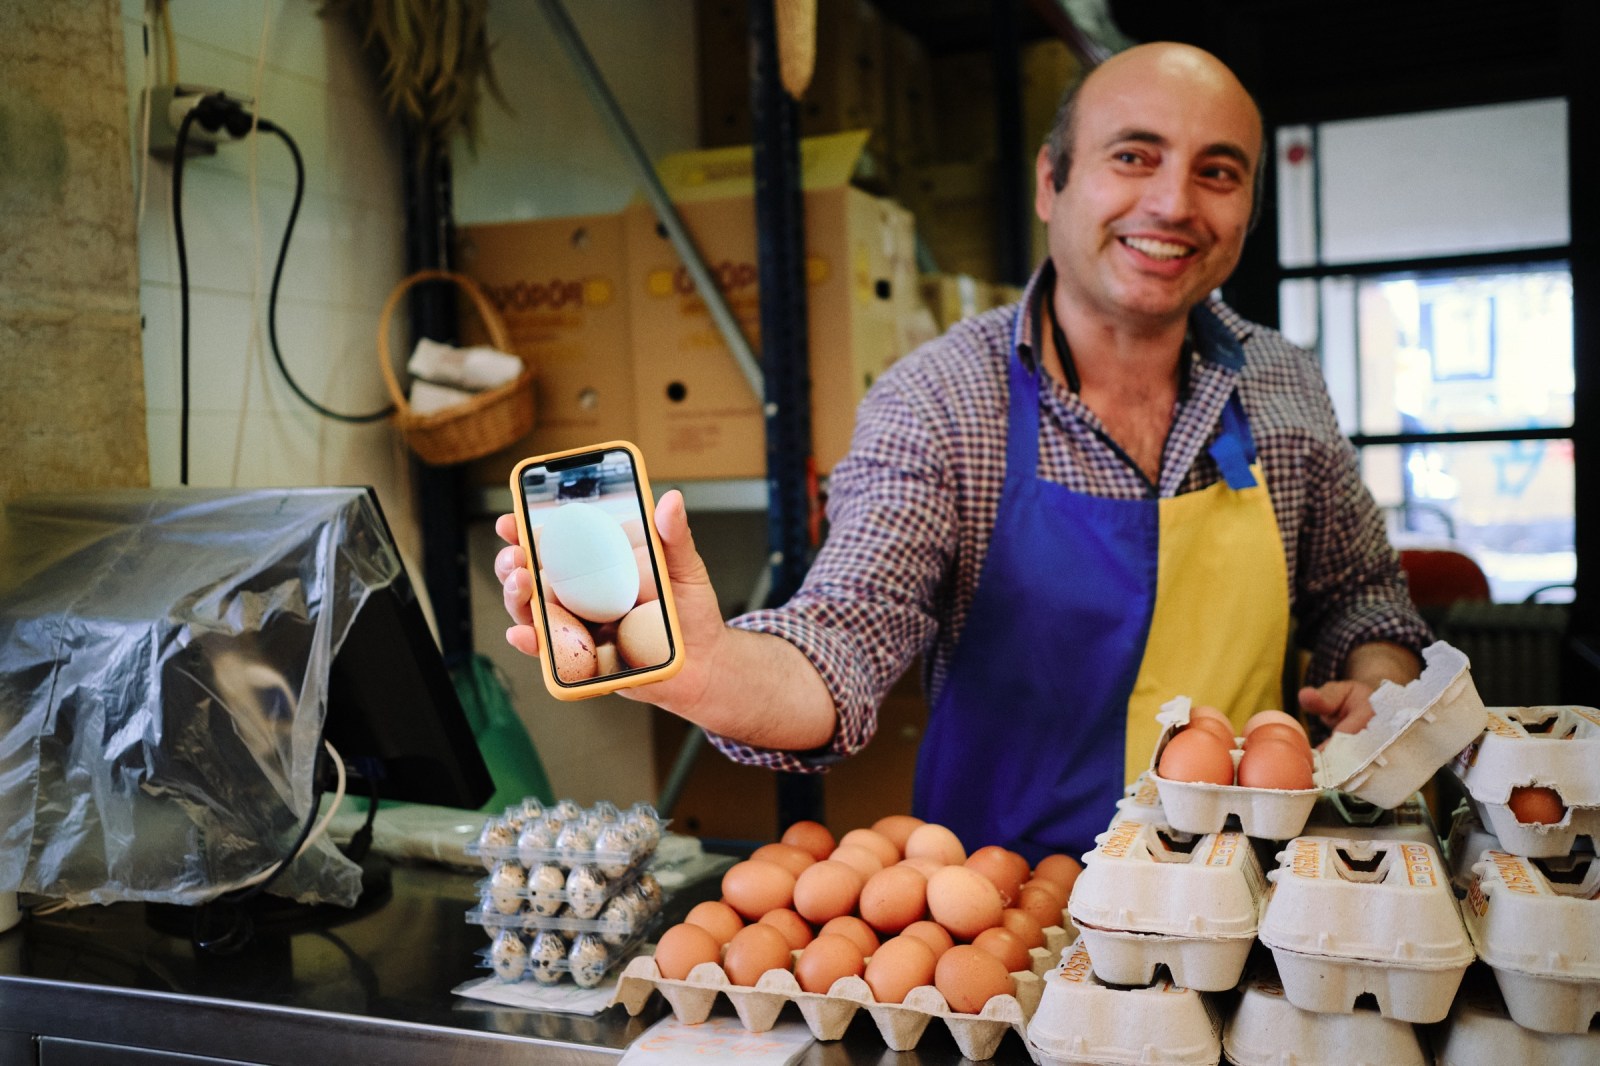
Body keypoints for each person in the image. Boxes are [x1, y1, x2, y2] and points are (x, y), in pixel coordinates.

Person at [495, 41, 1431, 861]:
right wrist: (709, 672)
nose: (1174, 202)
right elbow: (848, 636)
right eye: (1132, 156)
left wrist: (1378, 689)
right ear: (1050, 182)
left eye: (1218, 172)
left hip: (1246, 895)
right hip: (1004, 927)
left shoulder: (1284, 384)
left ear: (1248, 206)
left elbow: (1360, 594)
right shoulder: (942, 399)